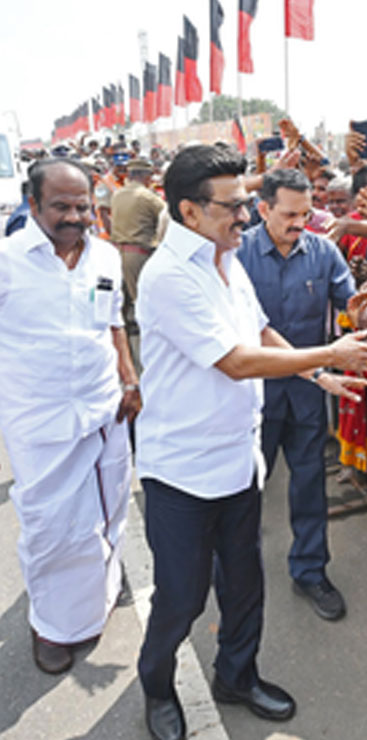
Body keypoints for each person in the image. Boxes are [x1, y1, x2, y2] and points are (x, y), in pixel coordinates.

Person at [134, 144, 367, 740]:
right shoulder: (170, 275)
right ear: (190, 211)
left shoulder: (227, 256)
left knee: (245, 586)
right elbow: (237, 361)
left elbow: (258, 330)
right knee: (182, 598)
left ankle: (237, 677)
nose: (245, 216)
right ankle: (158, 689)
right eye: (234, 206)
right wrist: (331, 351)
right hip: (183, 472)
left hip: (236, 461)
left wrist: (316, 374)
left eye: (246, 204)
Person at [0, 157, 140, 675]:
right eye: (61, 205)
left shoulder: (103, 256)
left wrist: (128, 378)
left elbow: (113, 322)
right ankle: (52, 626)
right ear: (33, 205)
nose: (76, 216)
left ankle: (101, 591)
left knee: (108, 507)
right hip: (39, 418)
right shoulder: (8, 260)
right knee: (51, 524)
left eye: (82, 205)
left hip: (103, 407)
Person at [237, 167, 366, 621]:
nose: (299, 223)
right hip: (253, 393)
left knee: (310, 485)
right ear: (263, 209)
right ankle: (236, 576)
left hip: (309, 396)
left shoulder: (324, 252)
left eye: (306, 214)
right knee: (246, 488)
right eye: (290, 214)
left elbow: (353, 306)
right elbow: (255, 331)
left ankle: (310, 570)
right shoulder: (236, 255)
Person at [110, 157, 166, 329]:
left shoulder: (117, 194)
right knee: (145, 306)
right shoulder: (146, 197)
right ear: (147, 176)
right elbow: (168, 217)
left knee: (122, 311)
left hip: (118, 254)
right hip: (138, 255)